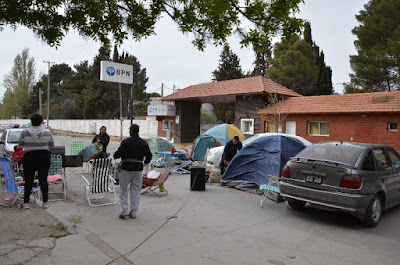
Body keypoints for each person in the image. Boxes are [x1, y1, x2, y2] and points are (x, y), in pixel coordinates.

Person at [114, 124, 152, 219]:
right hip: (138, 169)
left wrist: (116, 155)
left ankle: (124, 211)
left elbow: (118, 154)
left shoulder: (126, 142)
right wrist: (145, 162)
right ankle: (134, 212)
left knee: (123, 190)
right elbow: (149, 156)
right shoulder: (144, 143)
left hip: (126, 168)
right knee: (135, 190)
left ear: (131, 131)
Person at [18, 114, 54, 209]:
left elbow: (20, 145)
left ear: (31, 122)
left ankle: (26, 203)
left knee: (28, 180)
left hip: (29, 157)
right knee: (43, 179)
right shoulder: (47, 132)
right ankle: (45, 202)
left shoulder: (24, 132)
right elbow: (52, 145)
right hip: (44, 157)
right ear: (42, 122)